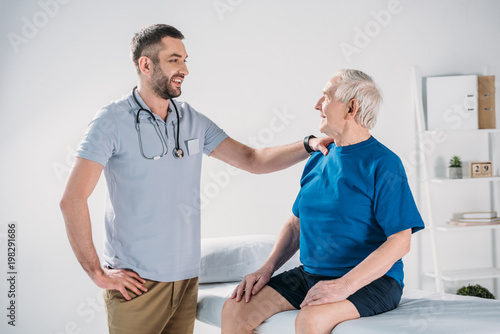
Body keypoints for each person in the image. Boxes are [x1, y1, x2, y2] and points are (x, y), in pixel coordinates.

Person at [59, 24, 332, 334]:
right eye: (175, 60)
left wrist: (308, 144)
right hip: (136, 284)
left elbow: (252, 159)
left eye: (185, 60)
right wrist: (97, 273)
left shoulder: (190, 119)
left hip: (186, 281)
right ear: (146, 65)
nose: (185, 69)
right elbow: (72, 199)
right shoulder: (110, 121)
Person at [221, 69, 425, 334]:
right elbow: (296, 225)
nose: (317, 105)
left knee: (311, 319)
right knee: (235, 310)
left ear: (351, 107)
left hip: (372, 281)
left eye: (326, 97)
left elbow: (400, 241)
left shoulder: (383, 163)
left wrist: (345, 285)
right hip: (310, 276)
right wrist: (266, 269)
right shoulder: (319, 157)